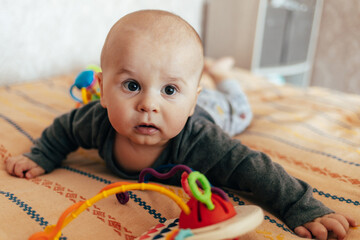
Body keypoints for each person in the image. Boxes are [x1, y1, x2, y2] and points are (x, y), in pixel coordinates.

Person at [5, 10, 356, 239]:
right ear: (102, 92)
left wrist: (301, 205)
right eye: (131, 85)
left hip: (214, 112)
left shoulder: (203, 141)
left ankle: (224, 77)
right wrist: (43, 154)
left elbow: (255, 169)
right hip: (183, 105)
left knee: (240, 111)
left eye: (169, 89)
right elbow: (62, 130)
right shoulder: (95, 120)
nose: (148, 104)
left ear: (191, 99)